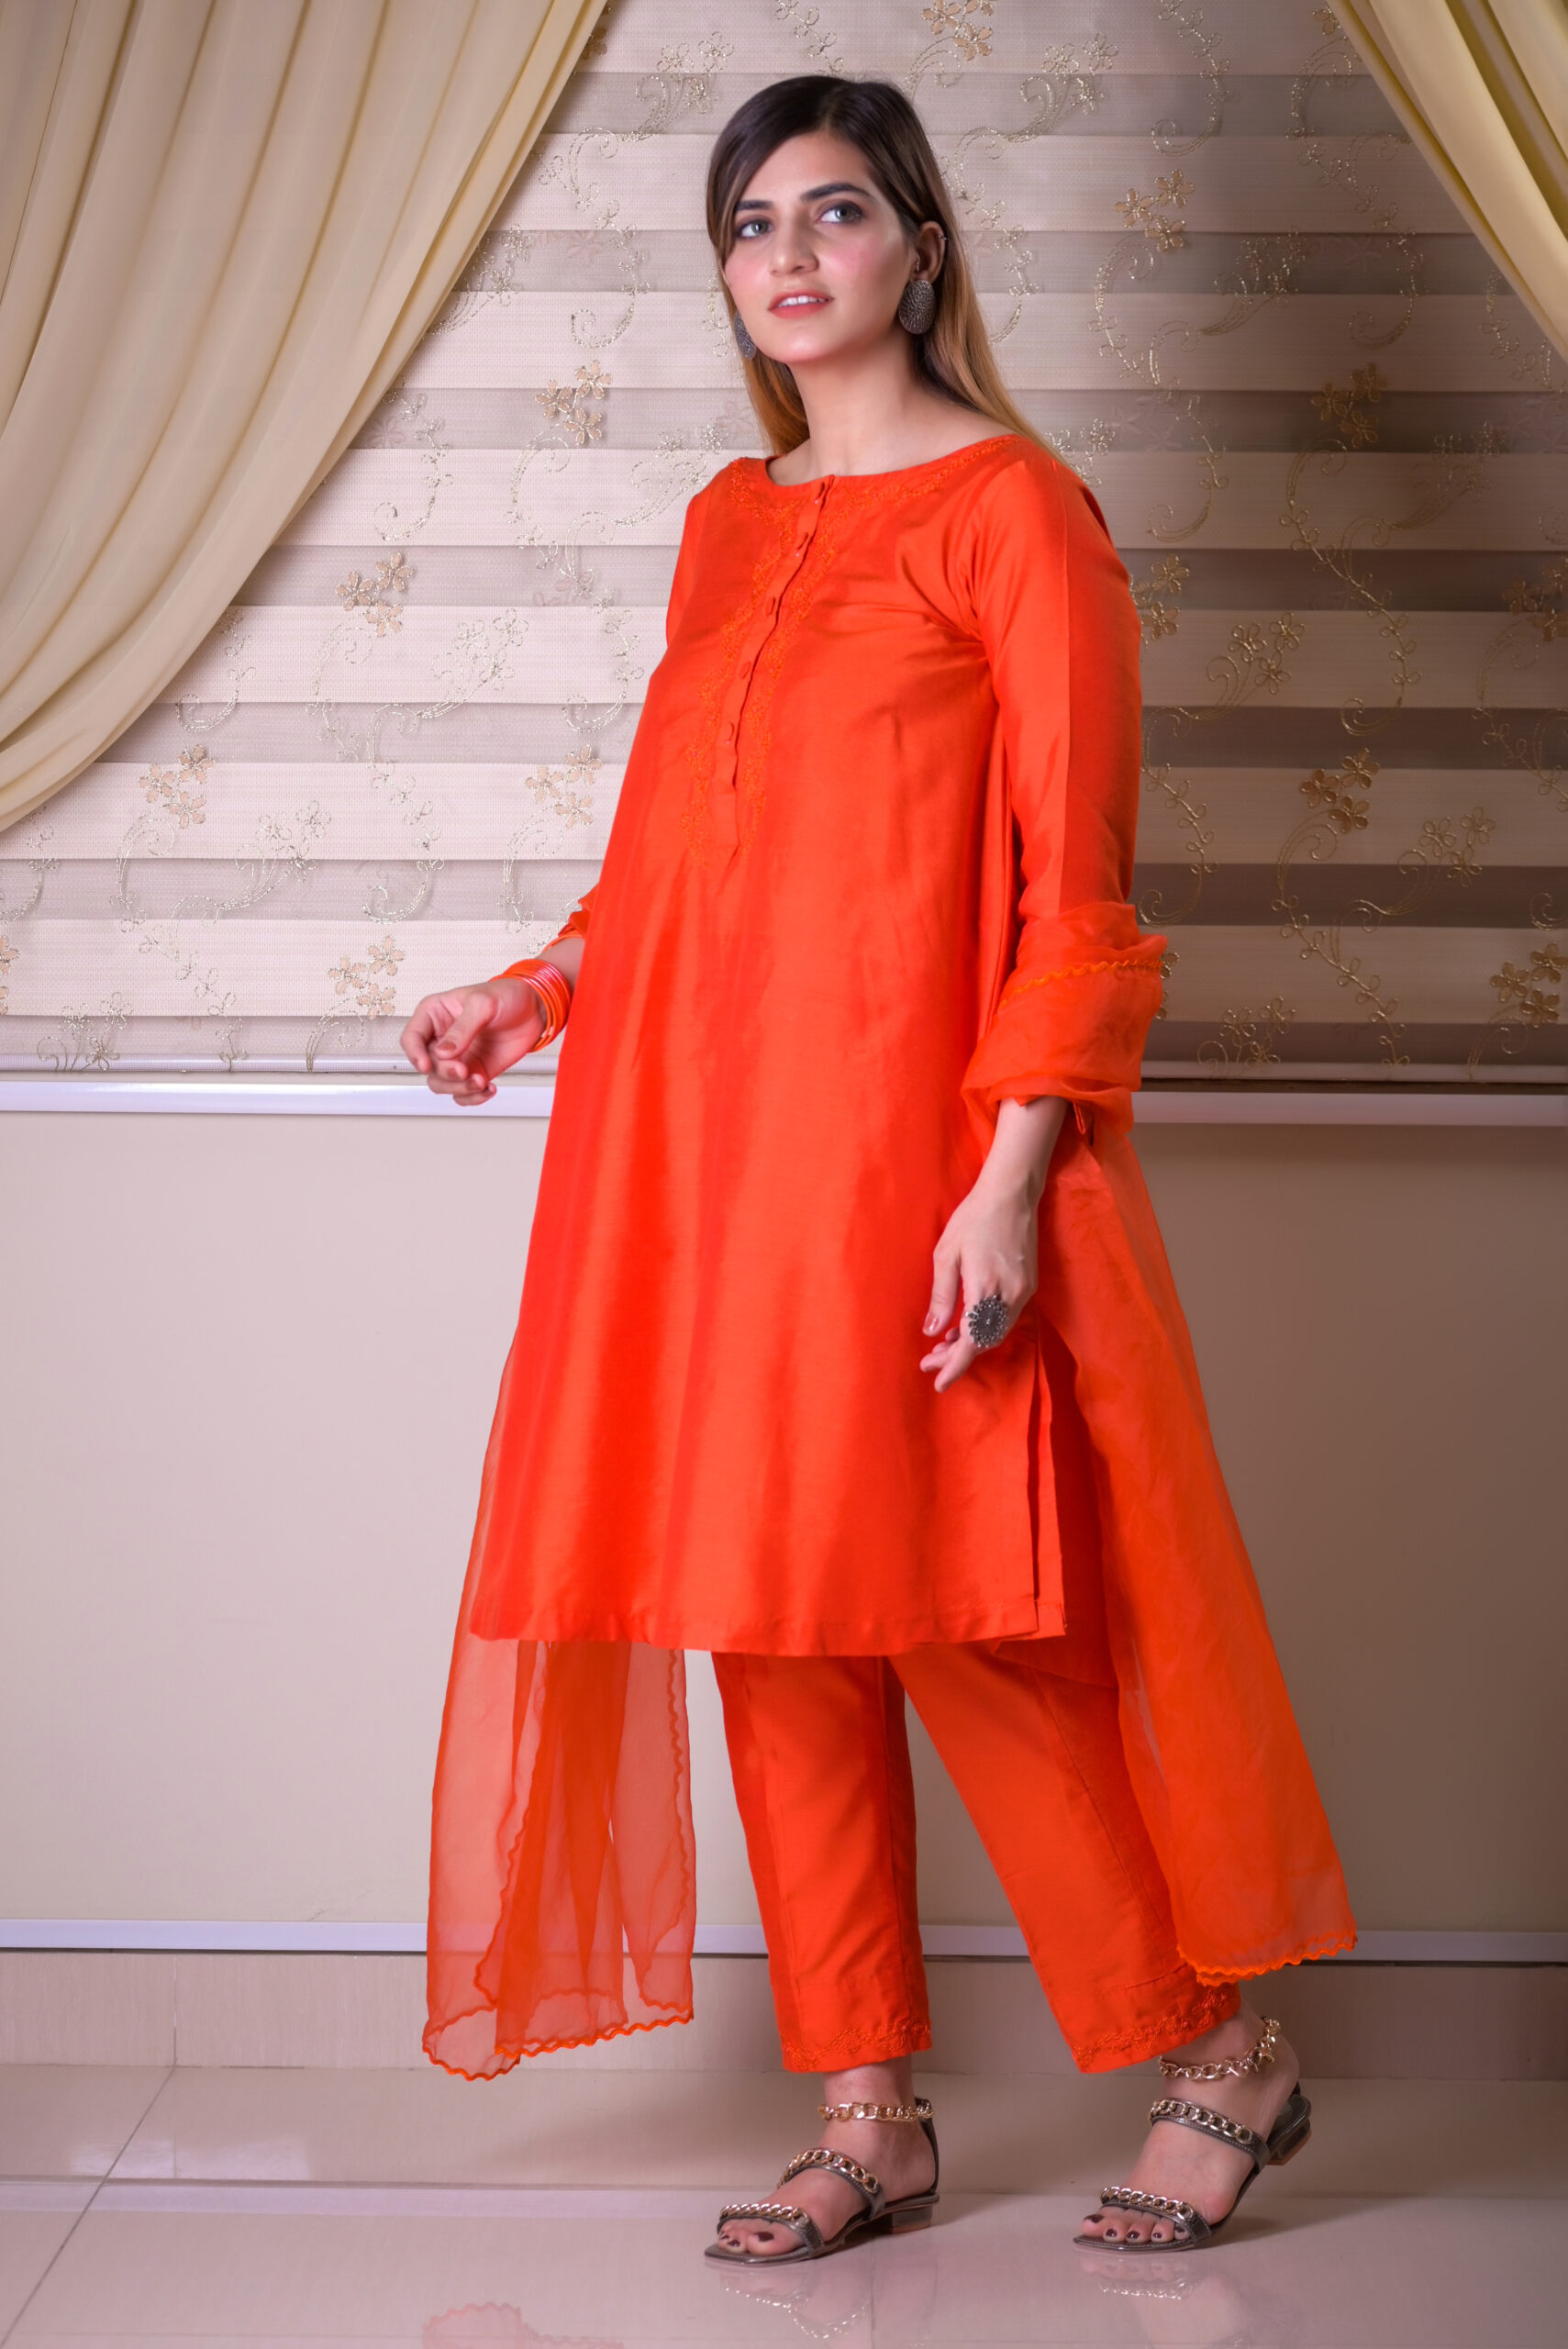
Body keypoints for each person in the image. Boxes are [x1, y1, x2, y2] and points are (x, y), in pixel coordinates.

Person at [402, 75, 1354, 2263]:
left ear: (920, 245)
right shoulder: (727, 523)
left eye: (835, 211)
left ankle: (1224, 2053)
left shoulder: (1018, 512)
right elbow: (686, 863)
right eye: (751, 223)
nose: (790, 255)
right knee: (767, 1625)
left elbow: (1077, 894)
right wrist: (534, 990)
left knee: (962, 1626)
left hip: (920, 1163)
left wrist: (1010, 1175)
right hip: (702, 1174)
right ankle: (869, 2109)